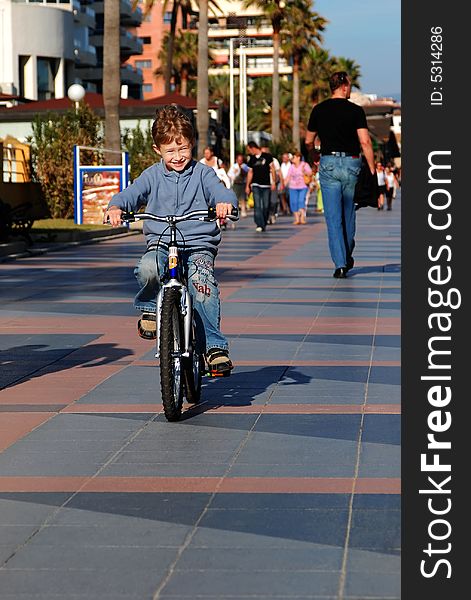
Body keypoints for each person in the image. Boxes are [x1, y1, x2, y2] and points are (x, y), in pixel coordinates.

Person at [104, 105, 237, 373]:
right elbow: (131, 194)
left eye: (183, 148)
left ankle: (214, 347)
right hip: (162, 242)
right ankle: (150, 308)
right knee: (149, 266)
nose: (178, 156)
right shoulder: (152, 175)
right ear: (158, 150)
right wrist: (116, 206)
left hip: (198, 244)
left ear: (192, 145)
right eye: (170, 151)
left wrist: (225, 204)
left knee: (202, 284)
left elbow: (221, 193)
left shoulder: (202, 173)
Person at [305, 71, 375, 278]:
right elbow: (365, 141)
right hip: (352, 163)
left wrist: (313, 156)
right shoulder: (356, 111)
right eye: (350, 85)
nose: (351, 89)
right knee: (349, 214)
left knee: (333, 217)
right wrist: (371, 168)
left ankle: (340, 264)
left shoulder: (319, 110)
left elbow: (309, 141)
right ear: (344, 86)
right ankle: (347, 253)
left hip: (328, 163)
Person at [245, 141, 277, 232]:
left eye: (249, 149)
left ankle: (264, 222)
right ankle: (259, 224)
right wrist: (247, 185)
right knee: (257, 205)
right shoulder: (251, 159)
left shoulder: (267, 156)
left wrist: (274, 182)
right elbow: (250, 172)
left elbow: (273, 169)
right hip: (255, 185)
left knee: (266, 205)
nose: (249, 152)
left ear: (253, 148)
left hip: (266, 185)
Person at [284, 151, 312, 225]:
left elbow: (310, 173)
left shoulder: (304, 165)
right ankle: (297, 218)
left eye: (294, 157)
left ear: (298, 158)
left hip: (303, 186)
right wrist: (283, 184)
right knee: (293, 202)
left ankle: (302, 217)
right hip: (293, 187)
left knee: (301, 201)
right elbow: (288, 176)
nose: (293, 159)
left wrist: (304, 172)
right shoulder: (292, 167)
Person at [261, 145, 280, 224]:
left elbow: (278, 172)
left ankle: (273, 213)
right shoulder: (259, 160)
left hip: (272, 183)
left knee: (273, 201)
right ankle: (267, 217)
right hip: (263, 184)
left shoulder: (274, 160)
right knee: (265, 202)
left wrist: (275, 182)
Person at [227, 153, 249, 217]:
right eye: (238, 160)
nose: (240, 161)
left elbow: (246, 173)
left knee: (243, 198)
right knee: (235, 198)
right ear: (236, 160)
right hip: (236, 183)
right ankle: (235, 211)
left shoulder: (245, 166)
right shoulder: (234, 166)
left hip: (243, 183)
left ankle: (243, 211)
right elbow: (229, 174)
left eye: (241, 160)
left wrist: (241, 169)